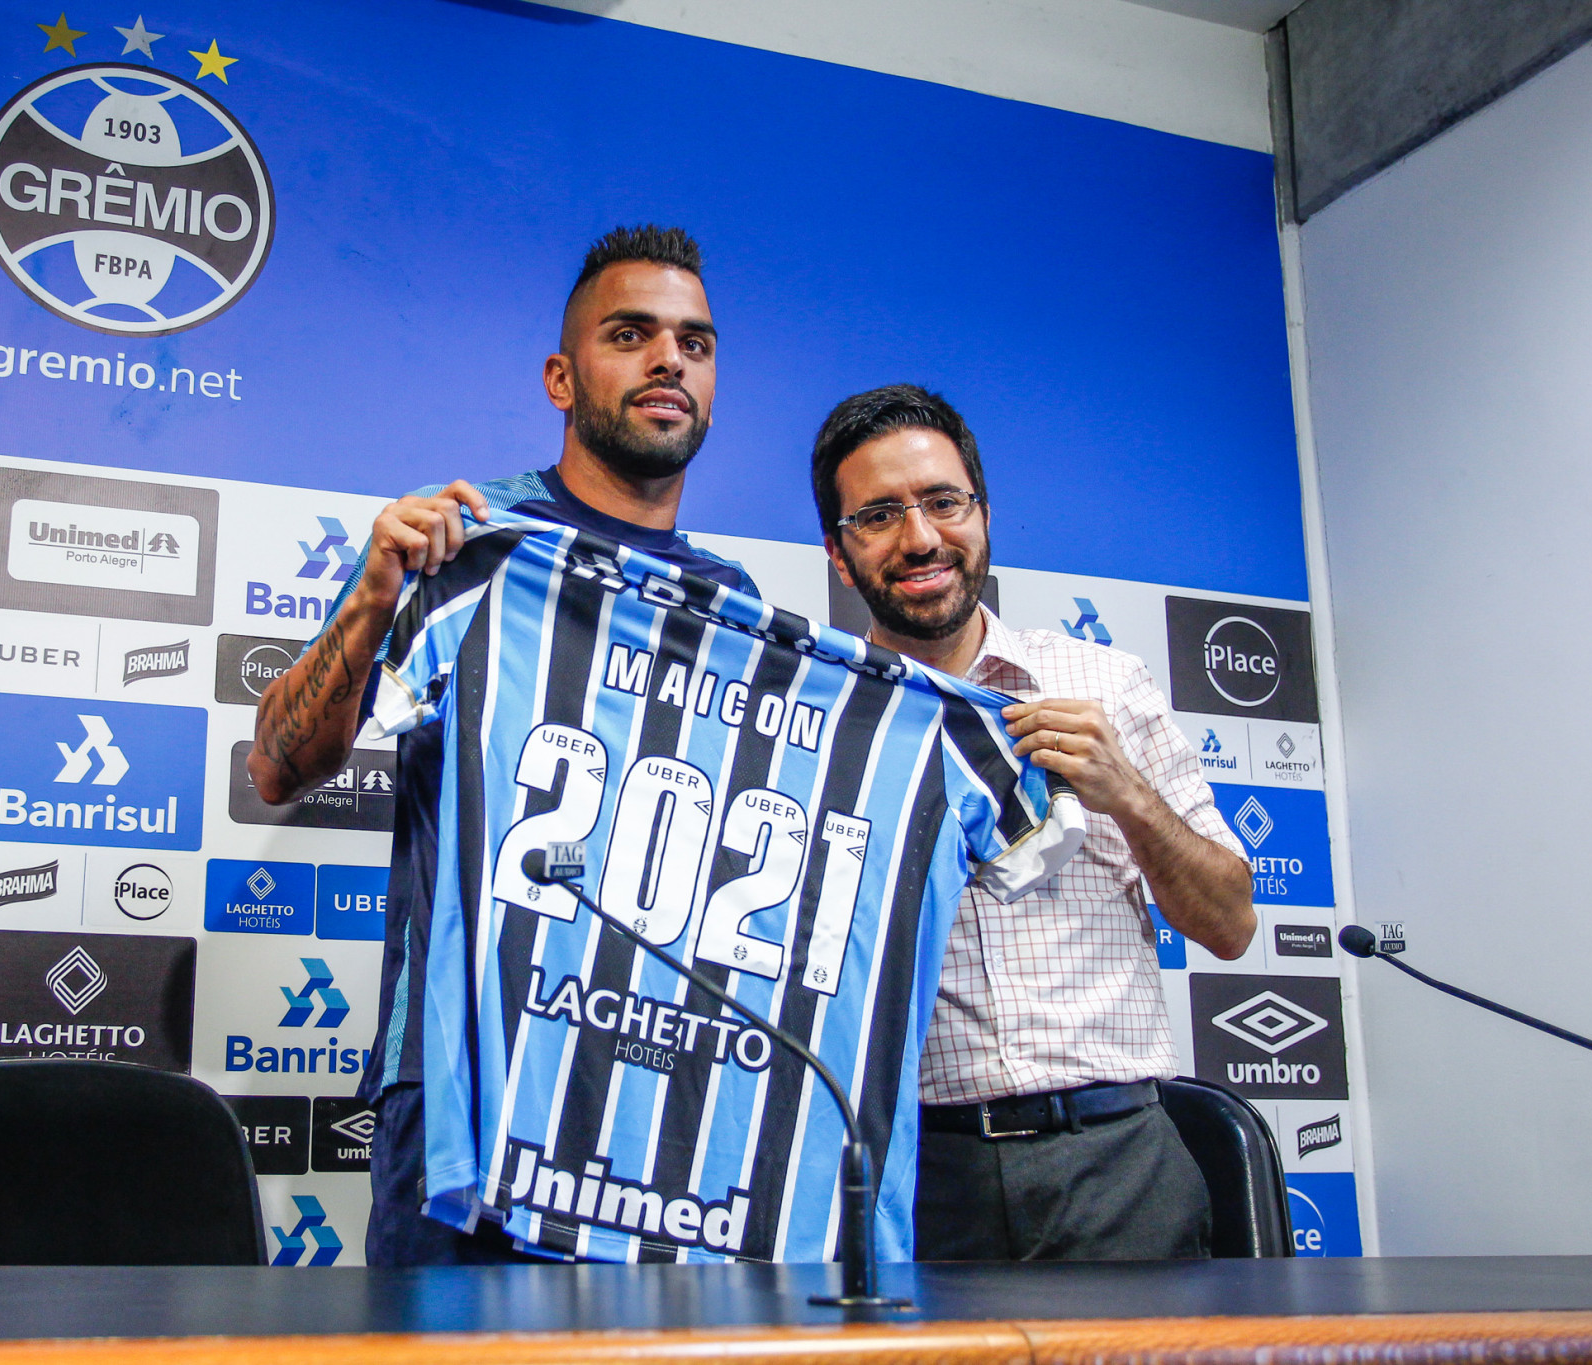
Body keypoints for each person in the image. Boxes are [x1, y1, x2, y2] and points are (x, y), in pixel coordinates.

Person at [247, 225, 756, 1266]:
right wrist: (374, 600)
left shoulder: (734, 604)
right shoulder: (462, 540)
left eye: (694, 344)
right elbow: (277, 768)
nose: (668, 360)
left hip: (655, 1079)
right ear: (561, 378)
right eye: (631, 335)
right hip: (463, 1077)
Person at [809, 383, 1255, 1260]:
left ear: (983, 513)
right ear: (838, 551)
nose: (920, 537)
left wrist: (1128, 793)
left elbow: (1232, 923)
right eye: (879, 515)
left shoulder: (1106, 683)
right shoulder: (817, 717)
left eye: (944, 502)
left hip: (1119, 1165)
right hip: (914, 1179)